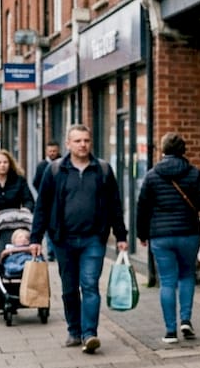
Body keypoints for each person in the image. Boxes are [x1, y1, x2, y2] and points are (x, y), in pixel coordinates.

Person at [30, 124, 129, 353]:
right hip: (63, 240)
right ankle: (74, 330)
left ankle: (90, 334)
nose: (83, 144)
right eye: (77, 141)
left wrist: (121, 235)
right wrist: (36, 238)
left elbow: (115, 205)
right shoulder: (54, 171)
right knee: (69, 288)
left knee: (90, 285)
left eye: (86, 140)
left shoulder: (103, 170)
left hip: (93, 239)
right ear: (68, 144)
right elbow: (42, 207)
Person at [136, 133, 200, 344]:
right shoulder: (194, 173)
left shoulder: (151, 175)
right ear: (183, 150)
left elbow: (142, 207)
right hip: (188, 232)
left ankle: (170, 331)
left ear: (162, 150)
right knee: (187, 275)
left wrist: (142, 234)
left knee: (167, 281)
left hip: (161, 235)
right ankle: (185, 320)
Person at [31, 141, 62, 261]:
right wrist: (43, 193)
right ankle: (50, 251)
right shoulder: (42, 166)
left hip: (60, 202)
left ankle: (55, 249)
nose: (53, 153)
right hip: (49, 201)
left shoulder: (63, 164)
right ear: (46, 152)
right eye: (50, 151)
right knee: (49, 228)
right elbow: (36, 182)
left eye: (55, 151)